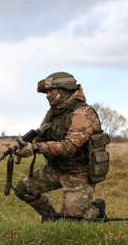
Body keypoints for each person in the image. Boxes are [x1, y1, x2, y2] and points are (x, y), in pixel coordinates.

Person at [13, 72, 109, 219]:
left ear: (64, 90)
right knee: (23, 189)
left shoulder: (83, 113)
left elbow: (68, 147)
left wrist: (36, 148)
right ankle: (51, 217)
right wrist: (26, 145)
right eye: (46, 92)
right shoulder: (53, 112)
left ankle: (96, 210)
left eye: (51, 91)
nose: (47, 95)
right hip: (55, 169)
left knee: (71, 221)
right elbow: (41, 136)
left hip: (78, 174)